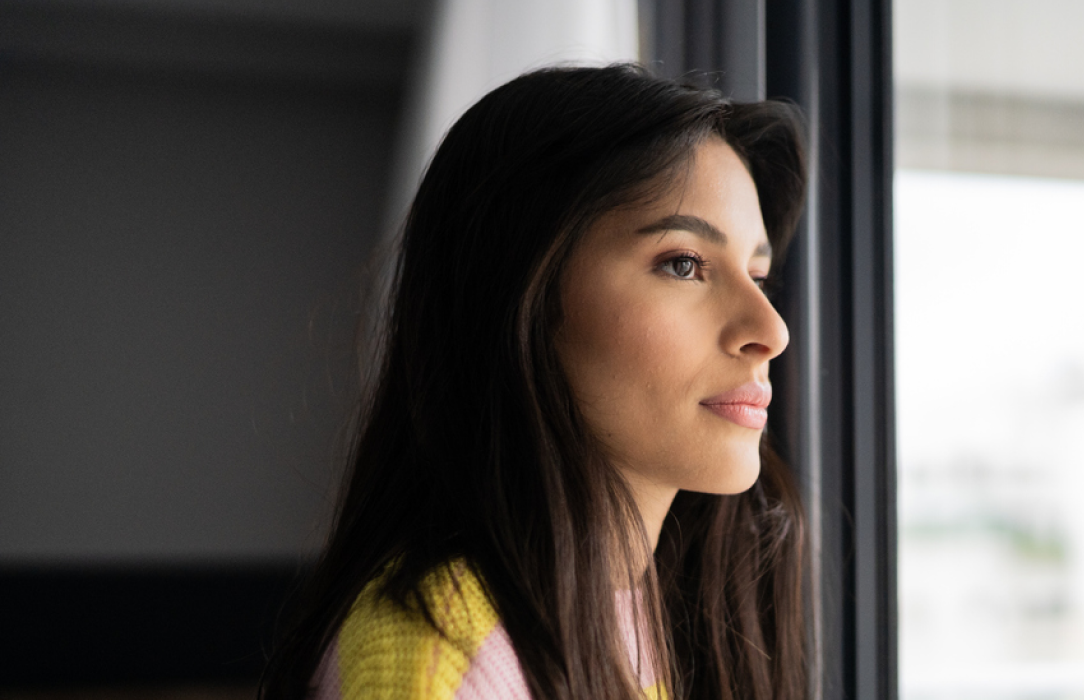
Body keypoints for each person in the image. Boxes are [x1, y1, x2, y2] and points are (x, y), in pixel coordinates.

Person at [259, 64, 809, 700]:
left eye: (759, 277)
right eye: (683, 264)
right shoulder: (439, 666)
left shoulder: (672, 618)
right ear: (520, 302)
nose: (771, 330)